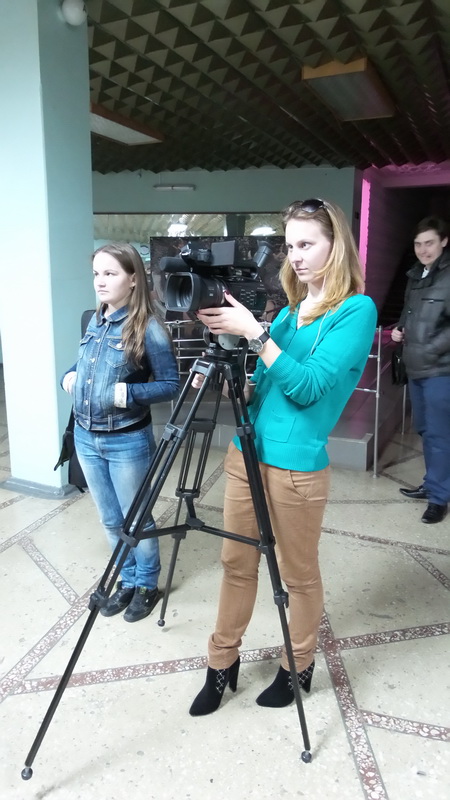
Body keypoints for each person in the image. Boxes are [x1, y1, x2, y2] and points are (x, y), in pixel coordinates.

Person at [188, 198, 377, 716]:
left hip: (296, 469)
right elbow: (264, 389)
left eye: (307, 244)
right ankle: (221, 662)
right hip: (245, 453)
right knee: (235, 564)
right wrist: (231, 369)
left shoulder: (355, 310)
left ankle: (299, 664)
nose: (295, 255)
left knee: (297, 576)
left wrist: (256, 333)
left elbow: (310, 388)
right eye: (290, 245)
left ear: (336, 246)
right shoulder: (290, 313)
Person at [62, 243, 179, 622]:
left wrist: (127, 393)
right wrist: (68, 375)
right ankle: (127, 580)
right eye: (97, 273)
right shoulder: (95, 319)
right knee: (110, 519)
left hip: (127, 441)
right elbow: (88, 364)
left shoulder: (149, 327)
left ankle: (147, 584)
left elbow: (170, 384)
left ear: (132, 279)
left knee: (137, 518)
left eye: (110, 273)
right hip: (86, 438)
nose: (100, 281)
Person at [391, 216, 450, 524]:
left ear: (444, 242)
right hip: (416, 366)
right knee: (426, 430)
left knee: (440, 434)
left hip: (441, 369)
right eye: (418, 244)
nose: (423, 250)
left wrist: (428, 346)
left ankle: (439, 498)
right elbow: (410, 313)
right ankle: (432, 483)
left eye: (430, 243)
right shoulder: (416, 274)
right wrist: (400, 329)